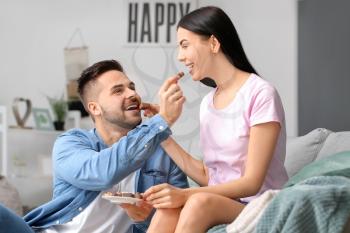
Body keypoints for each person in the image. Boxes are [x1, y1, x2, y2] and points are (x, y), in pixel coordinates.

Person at [142, 6, 289, 233]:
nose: (180, 56)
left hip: (260, 203)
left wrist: (184, 194)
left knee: (197, 202)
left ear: (213, 43)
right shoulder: (207, 103)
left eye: (184, 45)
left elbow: (252, 183)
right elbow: (208, 176)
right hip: (223, 203)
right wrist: (161, 130)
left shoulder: (260, 93)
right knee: (167, 209)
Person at [0, 59, 188, 233]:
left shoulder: (164, 154)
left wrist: (143, 220)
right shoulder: (70, 143)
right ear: (95, 108)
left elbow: (180, 218)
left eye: (132, 87)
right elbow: (102, 174)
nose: (132, 94)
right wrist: (161, 122)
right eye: (118, 90)